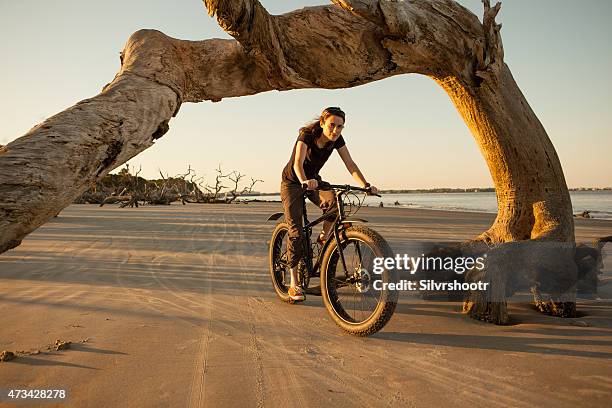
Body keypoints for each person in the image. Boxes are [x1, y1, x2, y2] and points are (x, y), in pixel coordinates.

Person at [280, 107, 378, 302]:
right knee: (296, 232)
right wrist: (304, 181)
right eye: (332, 125)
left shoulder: (337, 140)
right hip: (293, 182)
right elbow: (298, 163)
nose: (335, 131)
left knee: (334, 204)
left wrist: (366, 185)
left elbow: (350, 164)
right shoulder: (306, 135)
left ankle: (324, 237)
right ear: (322, 123)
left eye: (340, 127)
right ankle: (293, 283)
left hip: (314, 180)